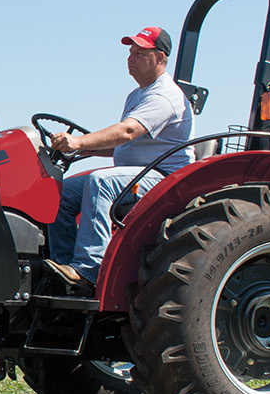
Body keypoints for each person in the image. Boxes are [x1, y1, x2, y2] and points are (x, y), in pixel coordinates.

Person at [36, 25, 193, 288]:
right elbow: (130, 145)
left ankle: (89, 270)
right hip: (137, 173)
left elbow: (129, 131)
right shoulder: (136, 95)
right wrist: (88, 149)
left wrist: (78, 140)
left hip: (163, 178)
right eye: (130, 53)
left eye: (140, 53)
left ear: (160, 57)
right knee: (61, 192)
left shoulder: (165, 95)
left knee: (101, 182)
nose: (131, 59)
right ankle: (62, 269)